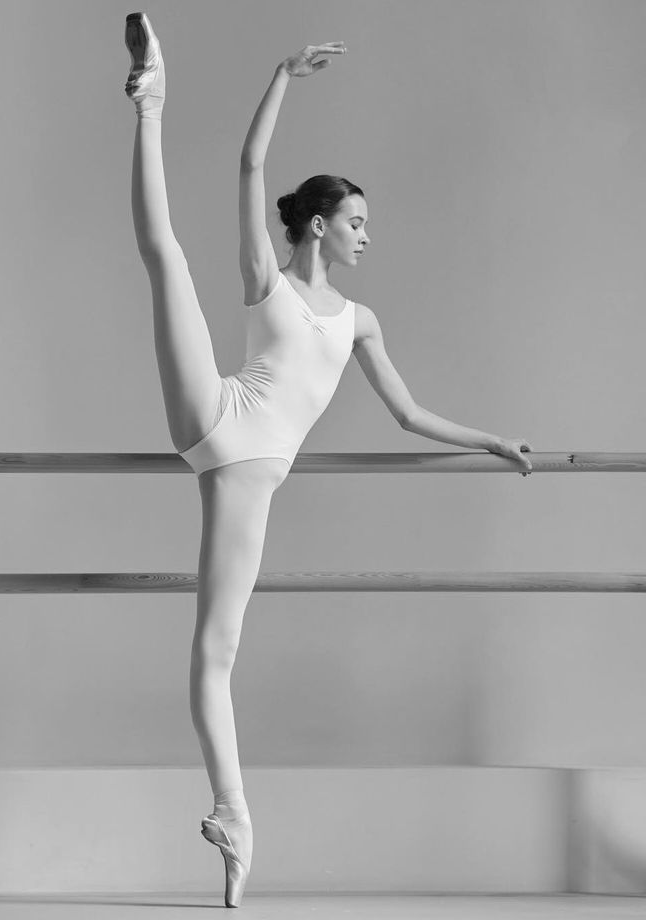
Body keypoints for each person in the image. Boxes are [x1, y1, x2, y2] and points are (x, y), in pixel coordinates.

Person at [124, 10, 532, 908]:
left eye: (366, 224)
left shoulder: (361, 324)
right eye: (355, 221)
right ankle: (150, 100)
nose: (366, 235)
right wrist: (278, 75)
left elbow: (411, 413)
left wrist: (491, 439)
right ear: (317, 225)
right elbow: (248, 166)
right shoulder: (266, 278)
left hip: (247, 473)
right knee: (167, 259)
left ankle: (233, 820)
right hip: (219, 416)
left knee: (214, 652)